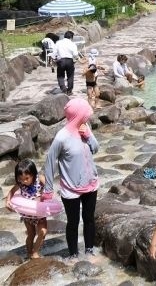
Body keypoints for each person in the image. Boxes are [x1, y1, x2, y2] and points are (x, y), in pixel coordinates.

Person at [43, 98, 99, 257]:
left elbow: (95, 149)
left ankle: (89, 251)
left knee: (89, 219)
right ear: (77, 115)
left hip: (91, 184)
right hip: (70, 189)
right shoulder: (62, 137)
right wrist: (48, 190)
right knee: (73, 223)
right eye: (85, 113)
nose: (88, 116)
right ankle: (73, 254)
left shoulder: (85, 127)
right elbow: (49, 162)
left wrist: (89, 136)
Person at [6, 159, 47, 259]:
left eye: (27, 178)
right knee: (31, 234)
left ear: (33, 174)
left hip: (39, 212)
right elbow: (11, 192)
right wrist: (8, 201)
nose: (24, 181)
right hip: (27, 214)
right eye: (21, 178)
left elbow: (49, 187)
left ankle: (35, 252)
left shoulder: (39, 179)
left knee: (43, 231)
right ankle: (29, 253)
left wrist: (45, 196)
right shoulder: (20, 184)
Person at [53, 31, 79, 96]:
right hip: (69, 60)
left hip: (61, 60)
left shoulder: (58, 43)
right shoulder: (72, 44)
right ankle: (69, 91)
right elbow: (75, 54)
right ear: (71, 37)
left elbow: (54, 53)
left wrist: (54, 59)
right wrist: (75, 59)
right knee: (70, 76)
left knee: (60, 75)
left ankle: (63, 89)